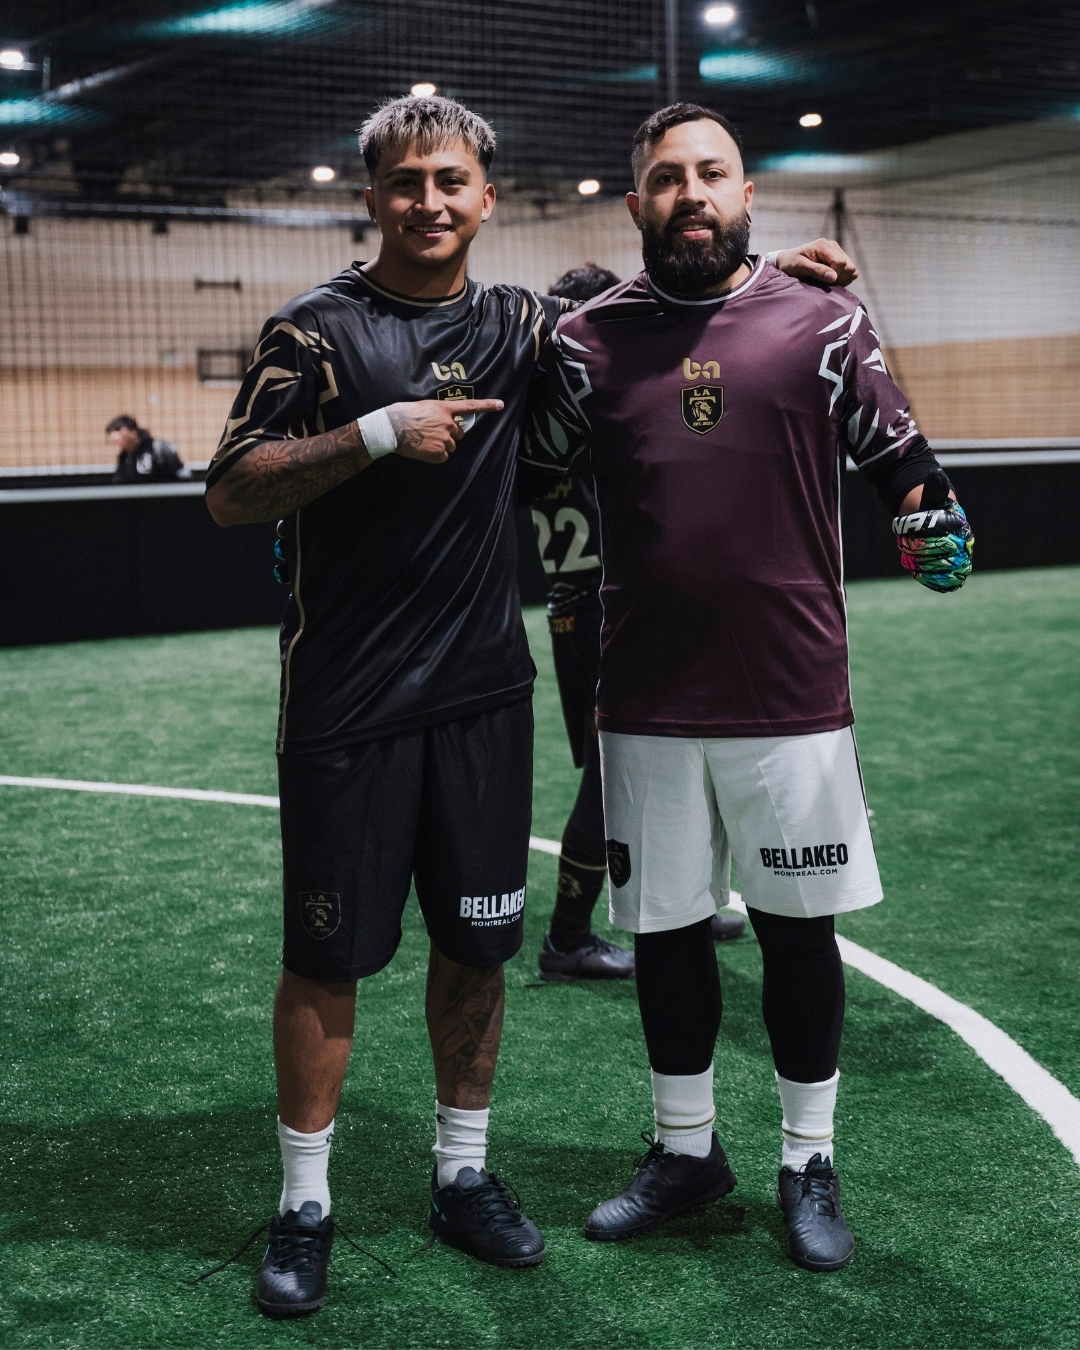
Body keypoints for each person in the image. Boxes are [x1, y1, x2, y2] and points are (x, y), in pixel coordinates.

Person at [205, 92, 862, 1316]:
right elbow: (232, 489)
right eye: (407, 182)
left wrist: (772, 274)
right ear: (373, 196)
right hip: (345, 701)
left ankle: (462, 1176)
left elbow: (664, 305)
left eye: (450, 181)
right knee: (326, 957)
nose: (429, 201)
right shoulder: (316, 331)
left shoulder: (522, 327)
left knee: (478, 947)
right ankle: (305, 1204)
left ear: (486, 198)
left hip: (483, 697)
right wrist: (376, 432)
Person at [520, 103, 972, 1273]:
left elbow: (900, 458)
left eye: (711, 173)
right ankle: (686, 1152)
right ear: (636, 204)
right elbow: (513, 464)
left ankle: (808, 1162)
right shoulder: (584, 345)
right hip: (646, 697)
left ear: (747, 193)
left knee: (795, 935)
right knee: (666, 935)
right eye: (668, 178)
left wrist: (933, 522)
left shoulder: (823, 319)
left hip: (791, 693)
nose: (692, 193)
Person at [532, 263, 744, 984]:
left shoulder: (543, 410)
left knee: (672, 754)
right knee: (610, 776)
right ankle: (567, 937)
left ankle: (686, 902)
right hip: (610, 609)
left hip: (577, 608)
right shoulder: (596, 403)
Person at [107, 415, 184, 482]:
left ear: (133, 432)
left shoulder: (158, 448)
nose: (114, 437)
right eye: (112, 433)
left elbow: (179, 474)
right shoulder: (124, 457)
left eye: (118, 430)